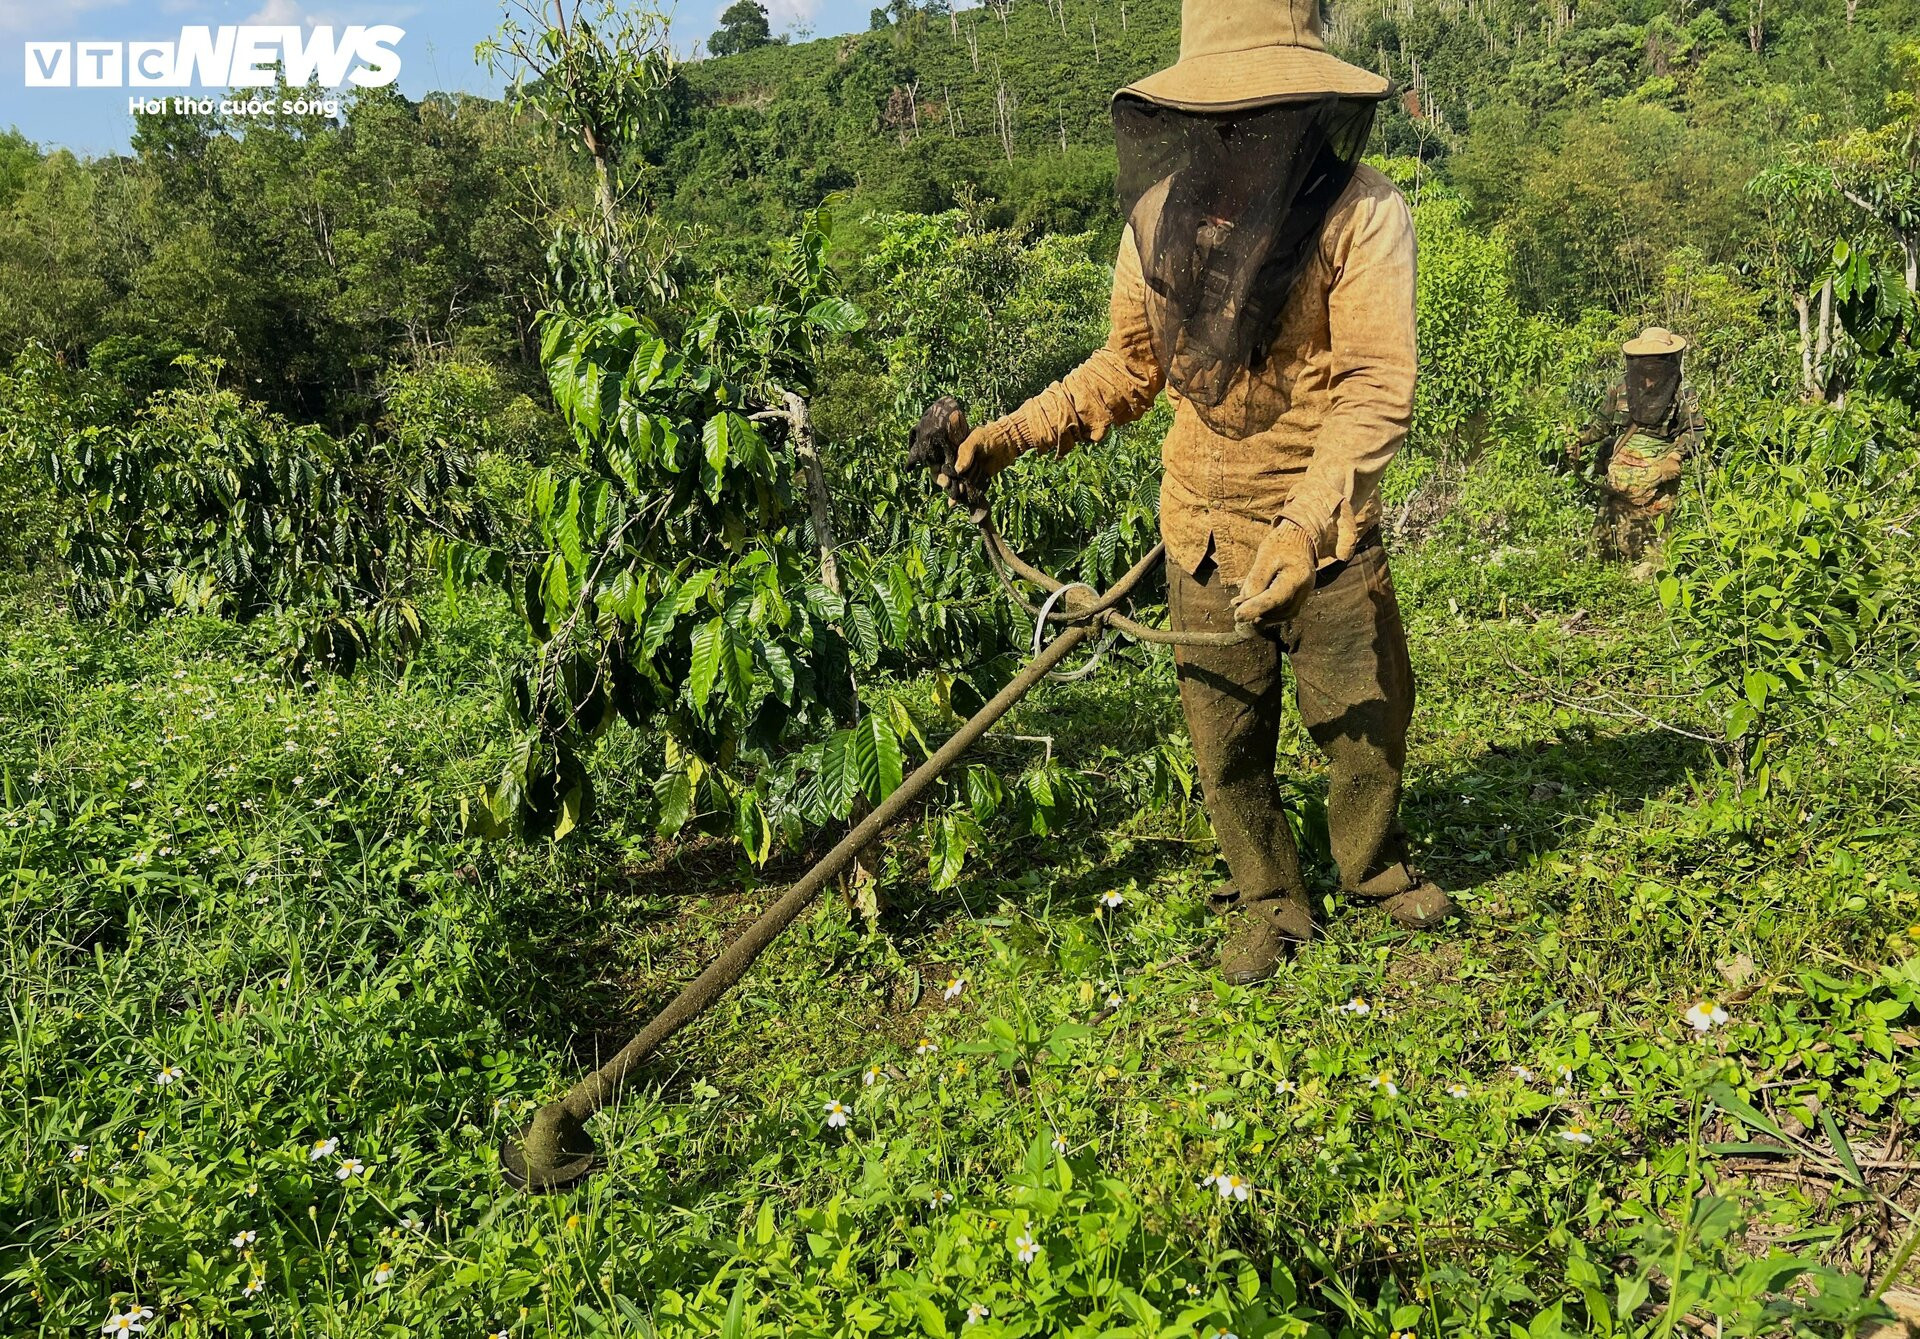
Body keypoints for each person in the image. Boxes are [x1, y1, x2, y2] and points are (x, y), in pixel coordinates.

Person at [930, 0, 1453, 985]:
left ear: (1304, 105)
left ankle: (1372, 871)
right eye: (1222, 116)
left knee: (1365, 725)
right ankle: (1268, 900)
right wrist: (1006, 437)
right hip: (1202, 535)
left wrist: (1305, 527)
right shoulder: (1158, 219)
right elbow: (1127, 368)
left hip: (1328, 532)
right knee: (1226, 744)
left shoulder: (1363, 211)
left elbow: (1376, 385)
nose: (1238, 134)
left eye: (1259, 112)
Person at [1569, 327, 1704, 569]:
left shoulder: (1683, 389)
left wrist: (1675, 456)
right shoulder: (1621, 385)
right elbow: (1602, 425)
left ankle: (1651, 588)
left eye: (1657, 358)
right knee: (1611, 531)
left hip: (1659, 473)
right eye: (1647, 358)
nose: (1651, 363)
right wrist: (1579, 440)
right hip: (1621, 471)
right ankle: (1607, 580)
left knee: (1654, 535)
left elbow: (1695, 429)